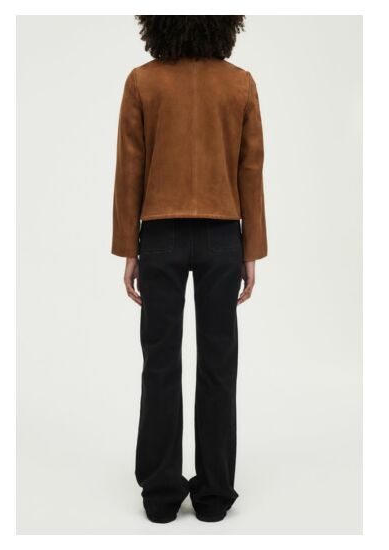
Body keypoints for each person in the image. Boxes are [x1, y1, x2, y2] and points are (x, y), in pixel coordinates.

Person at [112, 15, 267, 523]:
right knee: (219, 363)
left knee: (160, 363)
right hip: (223, 236)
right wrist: (250, 249)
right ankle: (215, 495)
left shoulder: (143, 81)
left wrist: (129, 248)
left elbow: (130, 167)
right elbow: (250, 169)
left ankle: (160, 497)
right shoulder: (239, 83)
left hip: (159, 235)